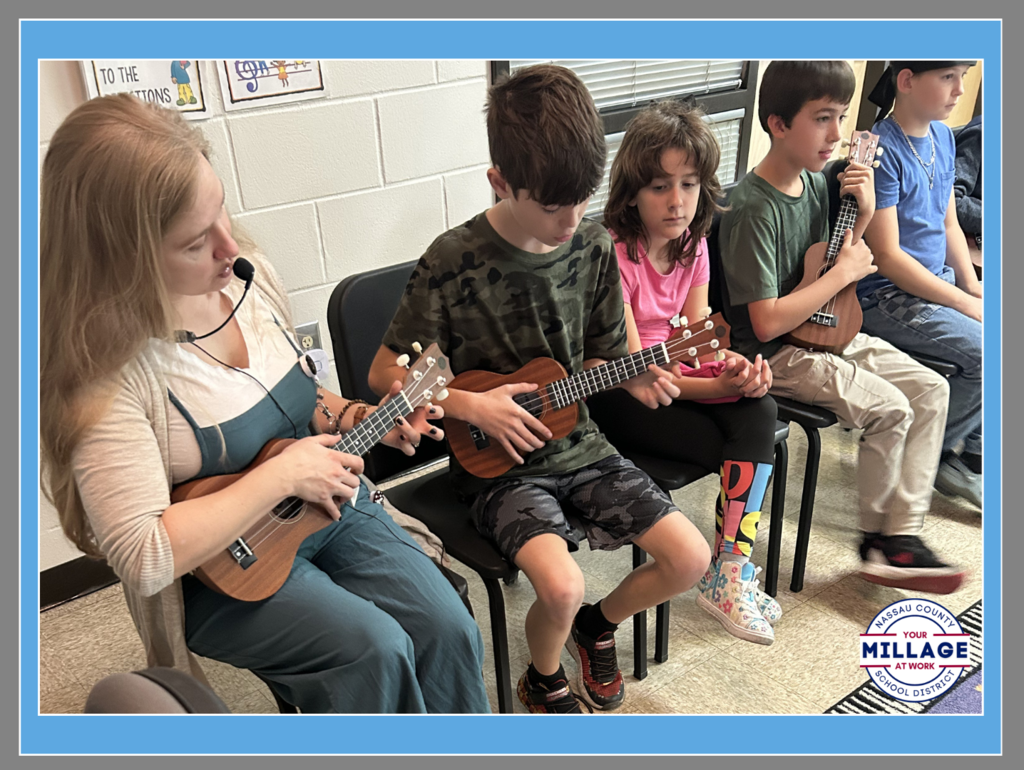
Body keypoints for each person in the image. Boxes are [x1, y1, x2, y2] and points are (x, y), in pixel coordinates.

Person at [39, 93, 490, 715]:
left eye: (221, 207)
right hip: (220, 572)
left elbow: (308, 403)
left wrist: (365, 422)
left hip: (326, 507)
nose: (231, 248)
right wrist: (281, 474)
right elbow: (144, 558)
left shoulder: (249, 280)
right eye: (196, 242)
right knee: (375, 651)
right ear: (123, 256)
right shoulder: (105, 374)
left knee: (448, 626)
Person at [368, 64, 710, 713]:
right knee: (557, 585)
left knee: (690, 557)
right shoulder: (451, 259)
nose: (570, 219)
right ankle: (544, 678)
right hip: (498, 469)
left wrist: (638, 375)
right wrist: (468, 403)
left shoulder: (591, 245)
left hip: (578, 442)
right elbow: (386, 372)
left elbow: (616, 349)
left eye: (581, 199)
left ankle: (598, 624)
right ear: (500, 182)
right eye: (553, 205)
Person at [718, 61, 965, 595]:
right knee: (890, 408)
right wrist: (846, 274)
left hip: (832, 331)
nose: (837, 135)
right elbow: (764, 320)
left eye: (841, 117)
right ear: (778, 123)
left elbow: (839, 250)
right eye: (823, 119)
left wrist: (868, 205)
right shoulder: (750, 209)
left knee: (931, 389)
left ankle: (900, 535)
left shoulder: (814, 182)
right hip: (774, 353)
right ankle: (879, 541)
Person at [586, 100, 782, 645]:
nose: (678, 202)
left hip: (677, 378)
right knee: (743, 446)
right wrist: (715, 385)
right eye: (660, 187)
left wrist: (735, 371)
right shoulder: (613, 253)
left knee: (760, 405)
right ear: (630, 192)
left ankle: (728, 572)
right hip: (619, 391)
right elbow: (633, 366)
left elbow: (696, 340)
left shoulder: (695, 246)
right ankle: (728, 574)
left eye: (690, 185)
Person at [861, 61, 983, 509]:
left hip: (935, 288)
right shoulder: (880, 148)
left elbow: (949, 221)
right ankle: (925, 461)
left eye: (963, 77)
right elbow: (889, 257)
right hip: (887, 297)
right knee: (988, 352)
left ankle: (970, 456)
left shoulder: (944, 137)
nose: (959, 90)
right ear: (907, 81)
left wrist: (972, 287)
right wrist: (963, 303)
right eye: (948, 77)